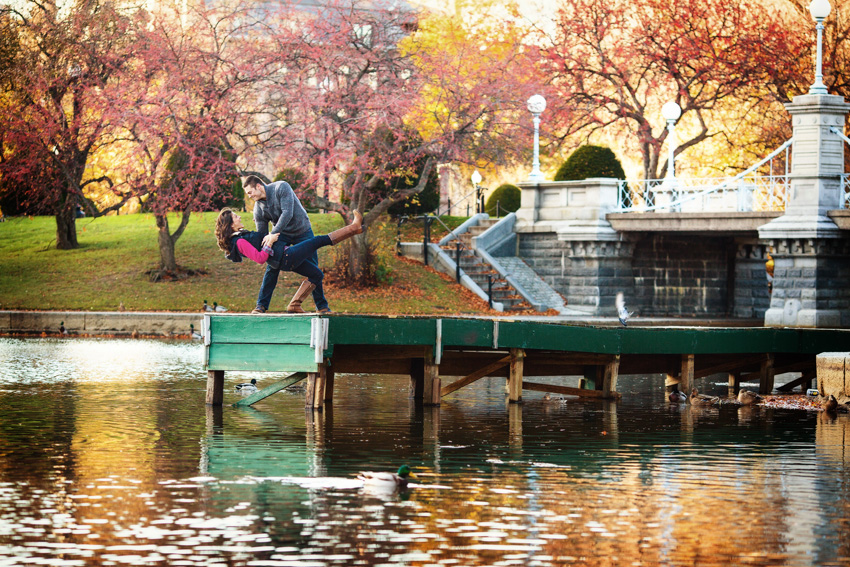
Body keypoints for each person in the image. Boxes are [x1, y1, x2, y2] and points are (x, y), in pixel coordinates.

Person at [214, 208, 363, 313]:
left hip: (285, 258)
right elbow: (260, 258)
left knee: (317, 274)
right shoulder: (238, 242)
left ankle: (295, 304)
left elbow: (257, 240)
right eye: (235, 217)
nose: (239, 217)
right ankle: (354, 228)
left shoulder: (240, 237)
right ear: (231, 224)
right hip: (286, 256)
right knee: (318, 240)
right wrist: (271, 241)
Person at [243, 175, 331, 314]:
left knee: (313, 266)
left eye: (250, 192)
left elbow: (287, 213)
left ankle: (322, 306)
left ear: (258, 186)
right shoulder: (258, 208)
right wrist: (262, 245)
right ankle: (261, 305)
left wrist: (274, 233)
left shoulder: (281, 187)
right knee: (272, 266)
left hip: (302, 230)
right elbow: (262, 236)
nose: (249, 196)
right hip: (281, 234)